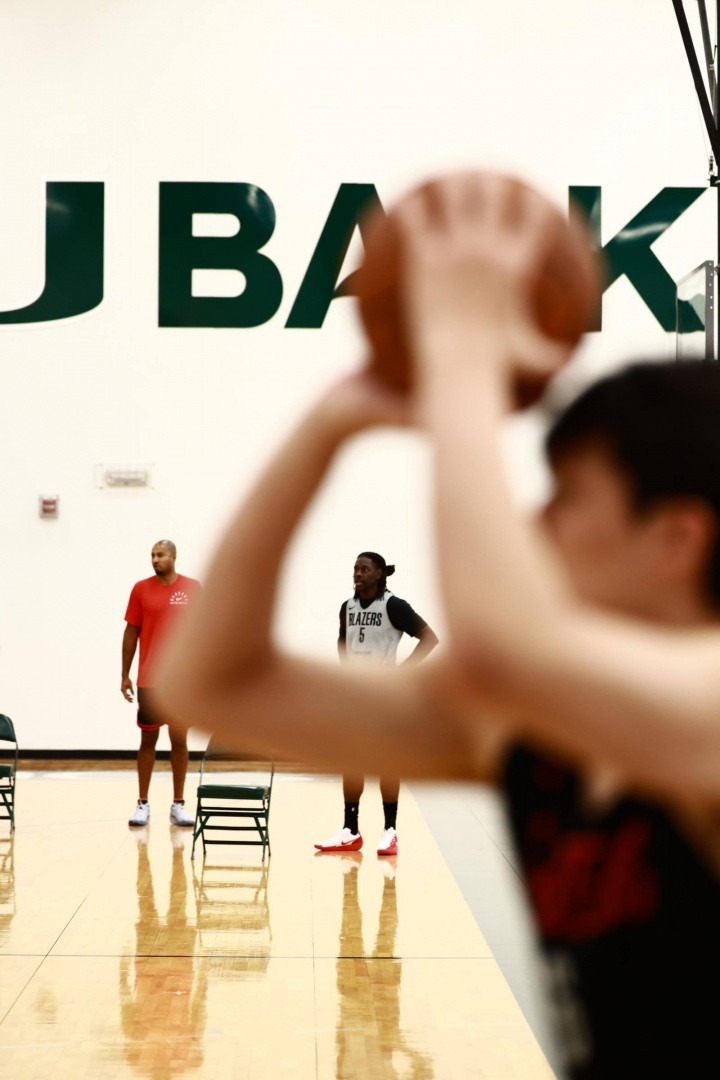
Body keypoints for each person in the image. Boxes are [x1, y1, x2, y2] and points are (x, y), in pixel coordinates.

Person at [156, 173, 720, 1077]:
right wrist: (331, 421)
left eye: (569, 497)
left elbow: (502, 648)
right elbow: (205, 682)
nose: (532, 521)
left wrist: (459, 356)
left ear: (676, 538)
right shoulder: (537, 721)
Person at [315, 551, 438, 856]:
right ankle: (350, 830)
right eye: (355, 569)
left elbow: (429, 638)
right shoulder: (347, 607)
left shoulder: (393, 606)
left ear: (379, 573)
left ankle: (390, 831)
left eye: (364, 569)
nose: (357, 574)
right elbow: (342, 642)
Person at [122, 540, 202, 827]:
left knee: (179, 741)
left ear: (173, 557)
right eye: (152, 555)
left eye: (160, 555)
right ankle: (142, 803)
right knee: (148, 741)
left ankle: (178, 804)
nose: (155, 559)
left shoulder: (193, 589)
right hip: (150, 680)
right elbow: (131, 633)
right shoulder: (140, 589)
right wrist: (124, 674)